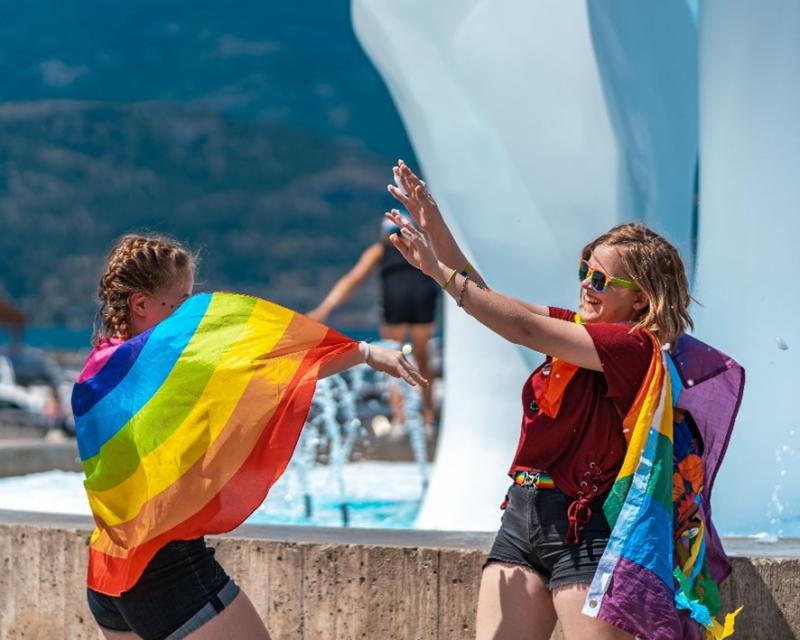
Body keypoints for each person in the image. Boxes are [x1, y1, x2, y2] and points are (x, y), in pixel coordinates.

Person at [386, 161, 742, 640]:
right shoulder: (577, 330)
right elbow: (493, 301)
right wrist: (436, 225)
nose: (585, 286)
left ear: (640, 299)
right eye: (584, 270)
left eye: (601, 281)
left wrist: (438, 272)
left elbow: (522, 327)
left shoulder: (633, 347)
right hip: (523, 518)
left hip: (588, 530)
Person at [77, 233, 425, 640]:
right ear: (141, 305)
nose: (193, 311)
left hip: (107, 577)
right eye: (183, 299)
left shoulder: (99, 369)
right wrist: (364, 353)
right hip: (166, 573)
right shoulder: (169, 364)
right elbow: (270, 368)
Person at [308, 213, 440, 427]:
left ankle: (400, 418)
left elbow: (353, 279)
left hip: (395, 301)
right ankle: (428, 416)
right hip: (422, 298)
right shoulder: (421, 247)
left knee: (393, 358)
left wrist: (325, 308)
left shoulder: (380, 249)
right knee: (423, 358)